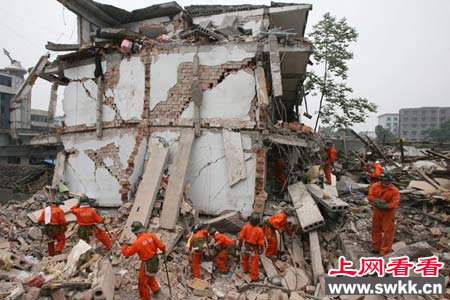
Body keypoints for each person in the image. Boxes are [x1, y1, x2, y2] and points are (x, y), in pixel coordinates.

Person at [122, 221, 166, 300]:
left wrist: (124, 245)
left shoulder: (137, 242)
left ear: (135, 232)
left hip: (146, 262)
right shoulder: (152, 235)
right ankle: (156, 289)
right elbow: (161, 245)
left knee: (142, 282)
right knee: (150, 275)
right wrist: (164, 251)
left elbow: (127, 253)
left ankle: (145, 298)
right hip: (155, 259)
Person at [367, 172, 400, 256]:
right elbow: (370, 195)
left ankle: (385, 250)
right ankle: (376, 248)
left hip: (388, 213)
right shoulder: (375, 186)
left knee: (388, 231)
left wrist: (386, 206)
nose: (386, 183)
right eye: (385, 181)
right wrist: (375, 201)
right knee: (376, 229)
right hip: (377, 211)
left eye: (388, 181)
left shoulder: (394, 190)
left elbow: (395, 203)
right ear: (382, 180)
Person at [238, 212, 264, 282]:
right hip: (254, 247)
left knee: (245, 258)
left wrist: (239, 245)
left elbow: (240, 237)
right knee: (254, 262)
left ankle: (245, 270)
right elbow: (261, 242)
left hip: (247, 246)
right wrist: (261, 249)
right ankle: (254, 277)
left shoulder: (246, 227)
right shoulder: (259, 230)